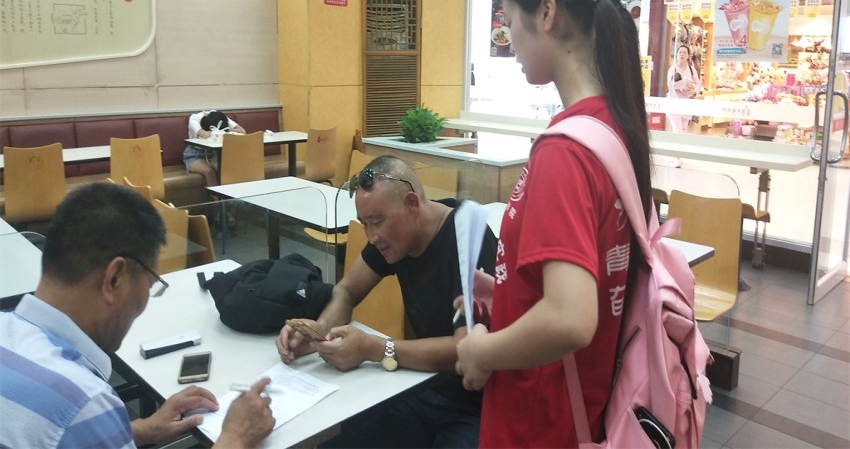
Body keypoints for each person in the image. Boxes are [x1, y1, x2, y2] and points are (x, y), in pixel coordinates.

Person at [453, 0, 653, 447]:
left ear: (545, 12)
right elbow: (585, 284)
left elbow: (569, 319)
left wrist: (481, 351)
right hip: (582, 410)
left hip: (537, 422)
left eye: (508, 18)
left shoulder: (565, 152)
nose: (508, 35)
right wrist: (508, 293)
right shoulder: (614, 127)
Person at [0, 182, 275, 448]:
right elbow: (72, 425)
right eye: (150, 285)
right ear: (114, 280)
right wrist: (236, 437)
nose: (144, 302)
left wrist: (140, 429)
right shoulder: (82, 402)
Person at [276, 155, 497, 448]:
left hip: (477, 404)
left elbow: (463, 350)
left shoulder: (468, 237)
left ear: (412, 204)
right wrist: (320, 329)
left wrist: (375, 348)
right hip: (421, 384)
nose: (371, 236)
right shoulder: (395, 238)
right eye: (364, 223)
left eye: (378, 221)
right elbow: (347, 290)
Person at [183, 110, 246, 187]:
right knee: (209, 171)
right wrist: (224, 132)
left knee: (223, 169)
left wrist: (224, 131)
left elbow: (242, 131)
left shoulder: (220, 117)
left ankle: (229, 192)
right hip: (195, 155)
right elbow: (204, 134)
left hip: (214, 153)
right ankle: (215, 194)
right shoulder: (194, 119)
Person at [666, 43, 703, 166]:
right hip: (674, 104)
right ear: (676, 55)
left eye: (684, 52)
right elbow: (670, 85)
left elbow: (698, 83)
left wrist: (694, 91)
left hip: (686, 104)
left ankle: (678, 155)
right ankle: (675, 158)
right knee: (677, 130)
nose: (682, 54)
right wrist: (684, 84)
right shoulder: (673, 69)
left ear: (688, 55)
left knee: (683, 129)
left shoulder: (691, 70)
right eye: (680, 52)